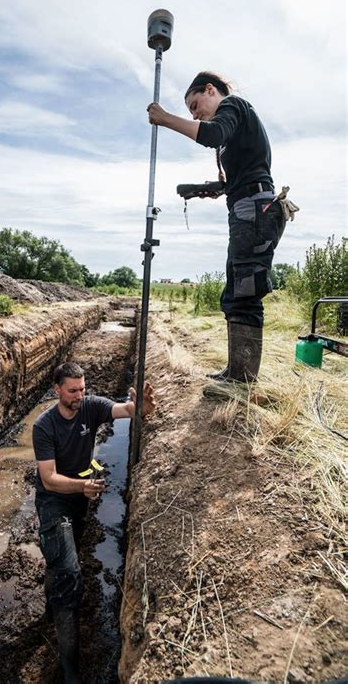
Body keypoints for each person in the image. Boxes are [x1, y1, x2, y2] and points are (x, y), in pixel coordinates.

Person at [148, 71, 287, 382]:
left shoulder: (234, 107)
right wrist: (202, 188)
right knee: (234, 294)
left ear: (211, 90)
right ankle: (236, 371)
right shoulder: (235, 123)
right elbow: (238, 177)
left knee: (245, 294)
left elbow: (212, 134)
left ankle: (242, 381)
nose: (195, 114)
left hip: (255, 208)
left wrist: (165, 118)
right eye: (190, 111)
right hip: (247, 207)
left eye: (195, 105)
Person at [33, 361, 156, 683]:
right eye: (72, 391)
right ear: (57, 389)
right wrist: (81, 487)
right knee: (70, 574)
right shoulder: (44, 426)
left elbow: (125, 410)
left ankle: (52, 601)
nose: (79, 396)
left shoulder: (92, 407)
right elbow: (48, 479)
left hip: (79, 501)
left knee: (61, 556)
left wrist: (139, 407)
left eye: (82, 389)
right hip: (55, 501)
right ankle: (69, 668)